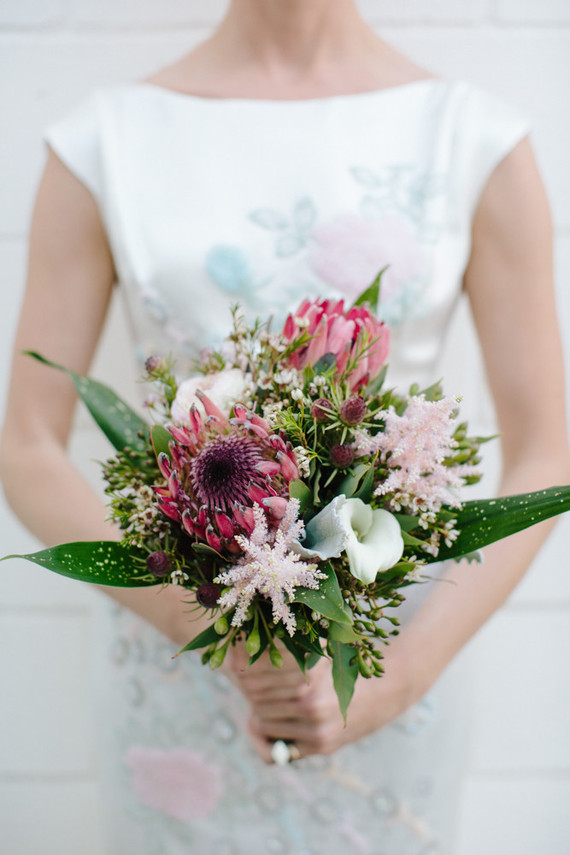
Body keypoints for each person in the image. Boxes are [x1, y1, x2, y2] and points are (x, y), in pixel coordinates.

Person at [1, 0, 568, 853]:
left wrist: (397, 680)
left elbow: (544, 449)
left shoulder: (472, 136)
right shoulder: (105, 142)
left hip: (384, 665)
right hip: (179, 659)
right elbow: (27, 444)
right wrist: (212, 631)